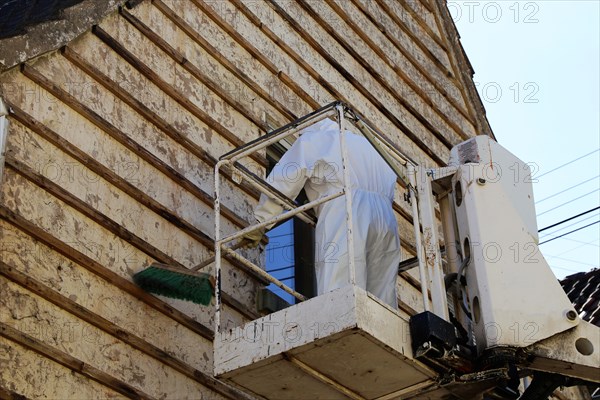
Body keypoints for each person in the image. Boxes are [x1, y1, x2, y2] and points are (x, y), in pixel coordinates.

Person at [243, 118, 401, 309]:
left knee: (340, 286)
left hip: (346, 207)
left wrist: (261, 222)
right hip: (386, 218)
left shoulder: (316, 139)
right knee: (380, 289)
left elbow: (284, 180)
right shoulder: (369, 150)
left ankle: (337, 320)